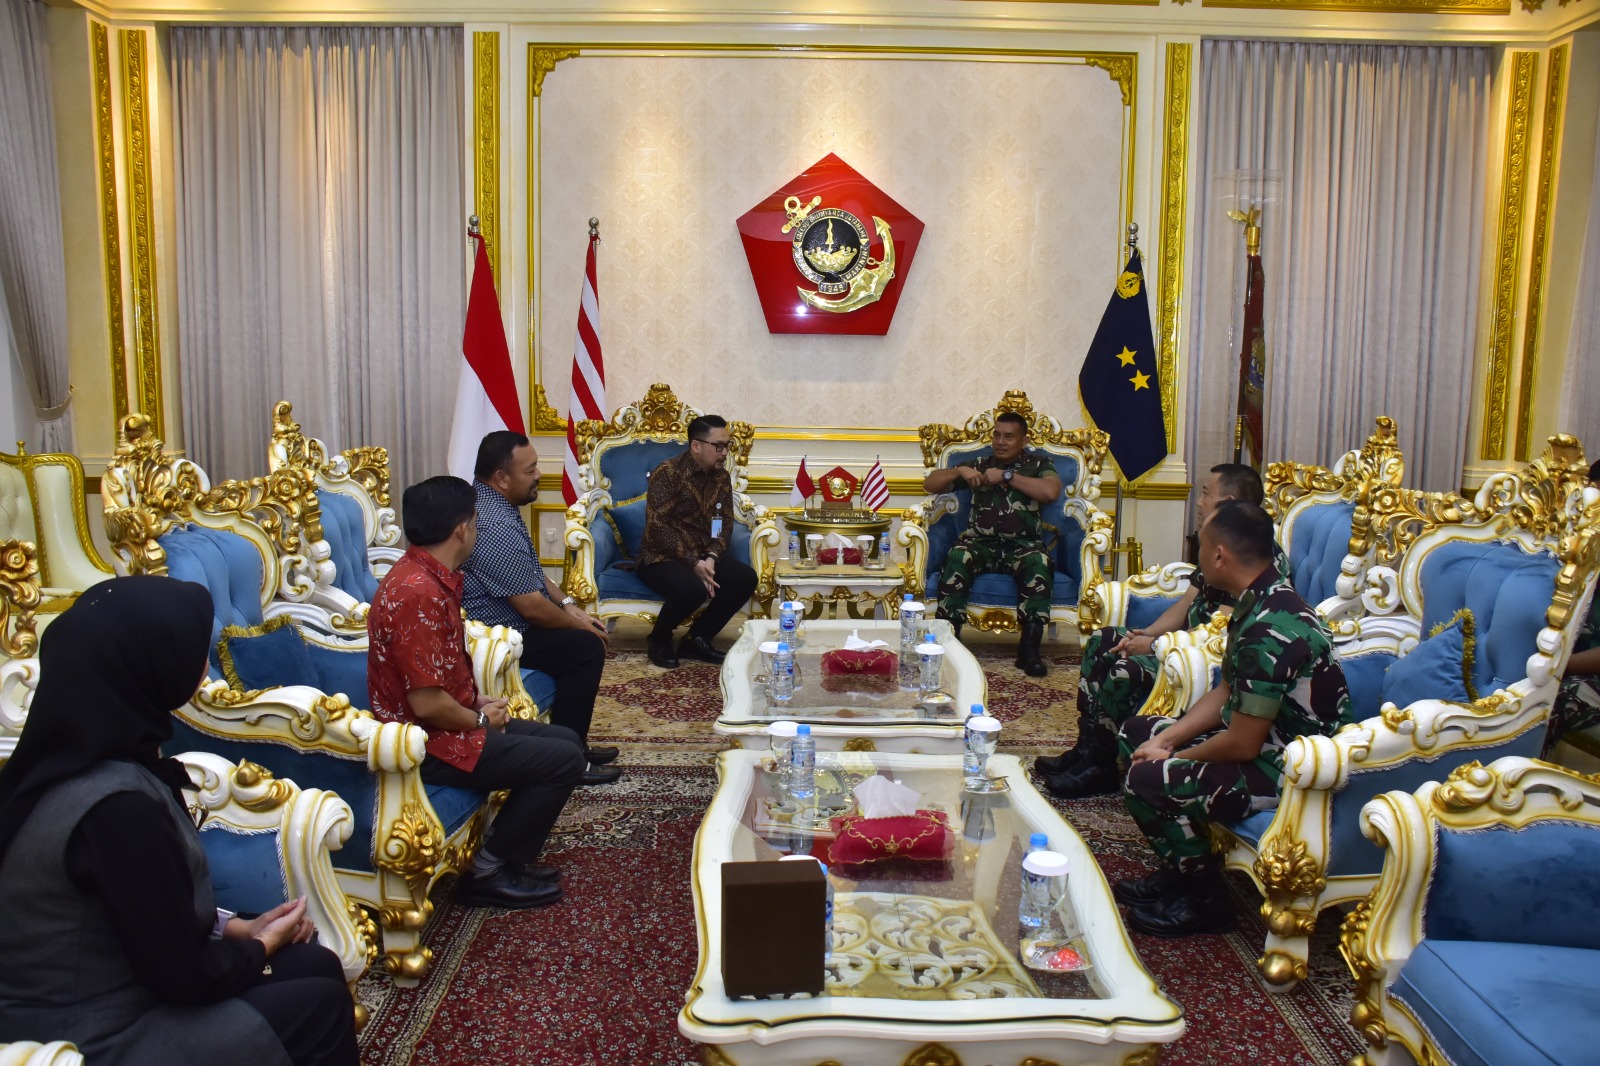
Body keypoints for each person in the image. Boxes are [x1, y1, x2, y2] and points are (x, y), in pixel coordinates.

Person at [0, 576, 358, 1065]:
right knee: (320, 1006)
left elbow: (139, 911)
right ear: (147, 668)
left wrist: (232, 929)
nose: (204, 665)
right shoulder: (114, 808)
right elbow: (186, 977)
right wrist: (261, 944)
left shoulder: (66, 756)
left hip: (121, 985)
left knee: (314, 962)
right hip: (89, 1033)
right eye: (190, 653)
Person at [1109, 501, 1353, 937]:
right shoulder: (1261, 601)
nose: (1198, 557)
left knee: (1146, 778)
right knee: (1139, 733)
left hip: (1293, 771)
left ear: (1219, 556)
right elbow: (1226, 689)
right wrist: (1168, 739)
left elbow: (1243, 744)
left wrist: (1173, 759)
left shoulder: (1270, 628)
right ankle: (1179, 869)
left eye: (1201, 547)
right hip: (1266, 744)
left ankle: (1206, 901)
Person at [371, 475, 586, 909]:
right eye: (475, 522)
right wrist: (480, 719)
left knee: (567, 741)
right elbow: (426, 703)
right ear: (461, 529)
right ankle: (487, 871)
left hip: (448, 725)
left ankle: (506, 856)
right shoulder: (417, 593)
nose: (477, 530)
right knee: (563, 760)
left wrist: (474, 701)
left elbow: (434, 679)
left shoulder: (428, 576)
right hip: (429, 745)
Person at [1042, 463, 1286, 798]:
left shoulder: (1251, 553)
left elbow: (1221, 631)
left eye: (1206, 493)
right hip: (1179, 643)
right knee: (1104, 641)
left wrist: (1157, 646)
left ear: (1227, 501)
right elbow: (1187, 603)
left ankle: (1101, 767)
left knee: (1126, 669)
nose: (1199, 501)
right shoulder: (1221, 540)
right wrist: (1146, 634)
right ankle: (1088, 749)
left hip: (1203, 655)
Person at [461, 431, 620, 786]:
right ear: (502, 478)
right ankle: (569, 758)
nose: (539, 475)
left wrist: (569, 606)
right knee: (585, 647)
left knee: (582, 637)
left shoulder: (494, 504)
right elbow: (531, 607)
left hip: (513, 623)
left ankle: (572, 745)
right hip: (497, 635)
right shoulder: (493, 523)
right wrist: (581, 627)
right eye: (530, 469)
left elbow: (531, 573)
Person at [923, 410, 1062, 676]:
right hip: (981, 544)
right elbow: (930, 484)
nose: (1000, 442)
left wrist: (1007, 477)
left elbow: (1050, 491)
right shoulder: (980, 464)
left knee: (1040, 562)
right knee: (957, 556)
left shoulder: (1039, 464)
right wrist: (959, 470)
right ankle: (950, 643)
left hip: (1024, 546)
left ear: (1024, 440)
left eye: (1009, 437)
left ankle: (1029, 651)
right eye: (996, 435)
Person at [636, 414, 759, 670]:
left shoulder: (721, 478)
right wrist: (693, 563)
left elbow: (724, 524)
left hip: (703, 554)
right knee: (692, 589)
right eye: (718, 446)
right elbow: (657, 527)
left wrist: (711, 558)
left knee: (745, 578)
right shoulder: (668, 473)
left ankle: (697, 639)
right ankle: (659, 639)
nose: (725, 452)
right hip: (661, 557)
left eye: (727, 445)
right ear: (696, 445)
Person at [1543, 458, 1600, 756]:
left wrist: (1558, 667)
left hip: (1586, 674)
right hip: (1562, 660)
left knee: (1544, 708)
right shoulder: (1576, 546)